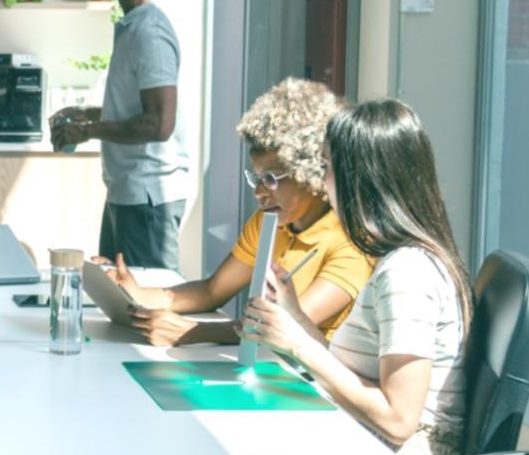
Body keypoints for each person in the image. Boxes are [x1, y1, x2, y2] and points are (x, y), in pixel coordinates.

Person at [243, 99, 472, 455]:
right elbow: (353, 372)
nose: (322, 180)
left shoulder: (407, 273)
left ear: (359, 180)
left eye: (327, 168)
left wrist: (298, 344)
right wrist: (295, 314)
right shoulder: (400, 260)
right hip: (371, 445)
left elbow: (398, 422)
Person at [105, 79, 372, 346]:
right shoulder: (269, 221)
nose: (259, 192)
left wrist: (192, 332)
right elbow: (212, 291)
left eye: (271, 178)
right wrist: (136, 293)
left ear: (312, 173)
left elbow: (285, 324)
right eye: (255, 177)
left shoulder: (352, 241)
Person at [49, 0, 190, 270]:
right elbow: (136, 109)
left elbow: (160, 123)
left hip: (148, 200)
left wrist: (88, 130)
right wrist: (87, 115)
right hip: (127, 194)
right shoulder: (133, 26)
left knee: (145, 309)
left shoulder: (150, 32)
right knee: (116, 302)